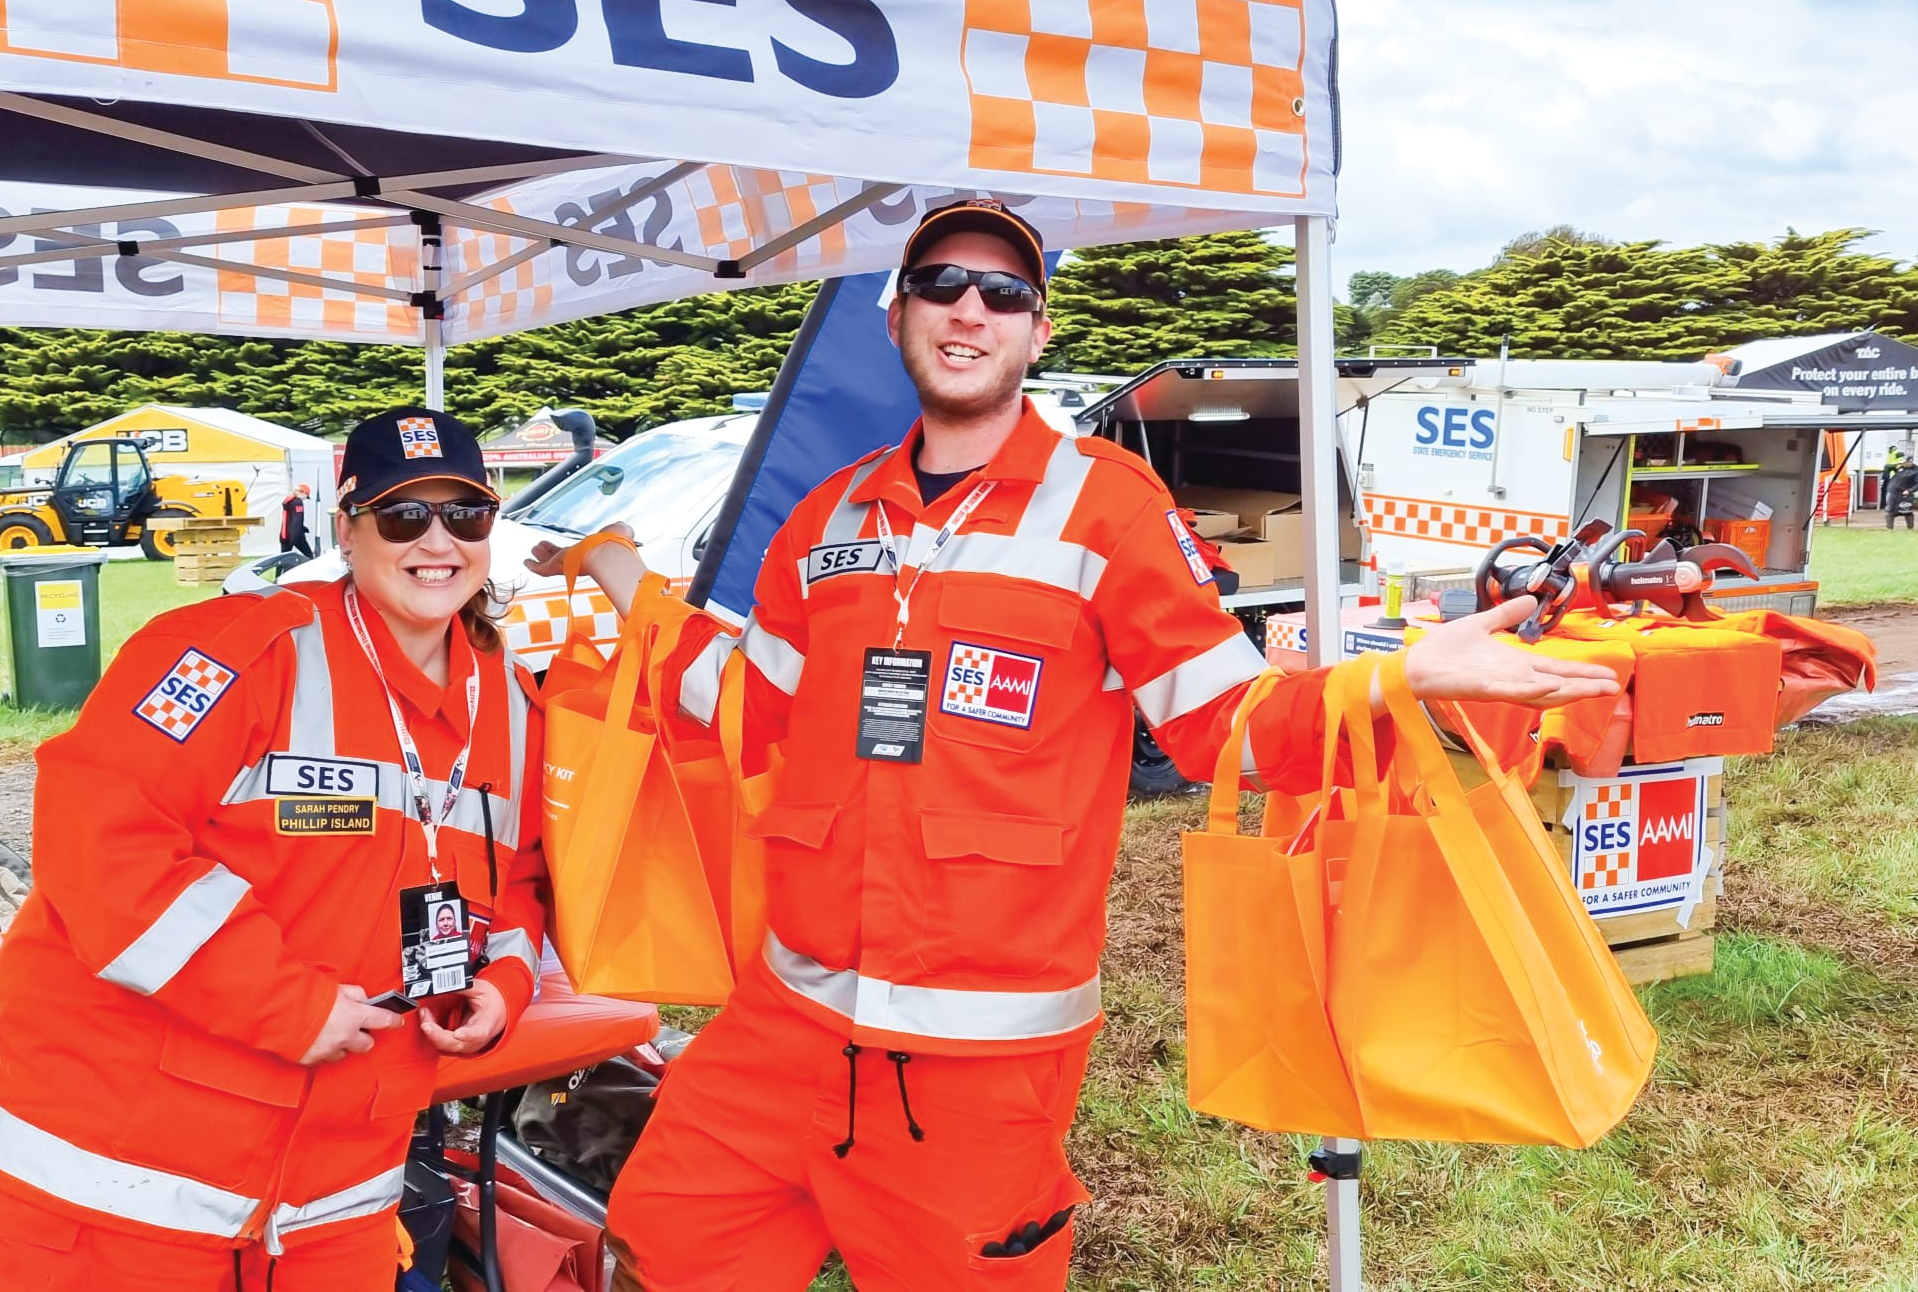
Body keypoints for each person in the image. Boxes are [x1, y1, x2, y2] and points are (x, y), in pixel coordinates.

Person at [562, 201, 1622, 1292]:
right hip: (783, 1027)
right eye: (939, 284)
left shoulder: (1108, 510)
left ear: (1039, 329)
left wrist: (1400, 679)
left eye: (1002, 293)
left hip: (973, 1065)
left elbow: (1228, 724)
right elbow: (747, 701)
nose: (969, 309)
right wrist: (625, 579)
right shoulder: (830, 516)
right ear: (897, 315)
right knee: (662, 1245)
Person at [0, 407, 621, 1290]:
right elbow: (101, 839)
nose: (436, 540)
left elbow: (521, 877)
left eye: (464, 513)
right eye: (403, 515)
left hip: (338, 1194)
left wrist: (504, 984)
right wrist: (285, 1003)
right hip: (120, 1174)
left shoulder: (515, 703)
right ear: (346, 527)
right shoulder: (230, 653)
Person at [280, 481, 315, 559]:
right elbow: (296, 520)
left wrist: (303, 527)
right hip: (296, 536)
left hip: (284, 535)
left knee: (283, 559)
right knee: (310, 556)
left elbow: (290, 518)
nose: (305, 499)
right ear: (303, 493)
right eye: (306, 496)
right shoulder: (298, 503)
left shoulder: (287, 501)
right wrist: (296, 537)